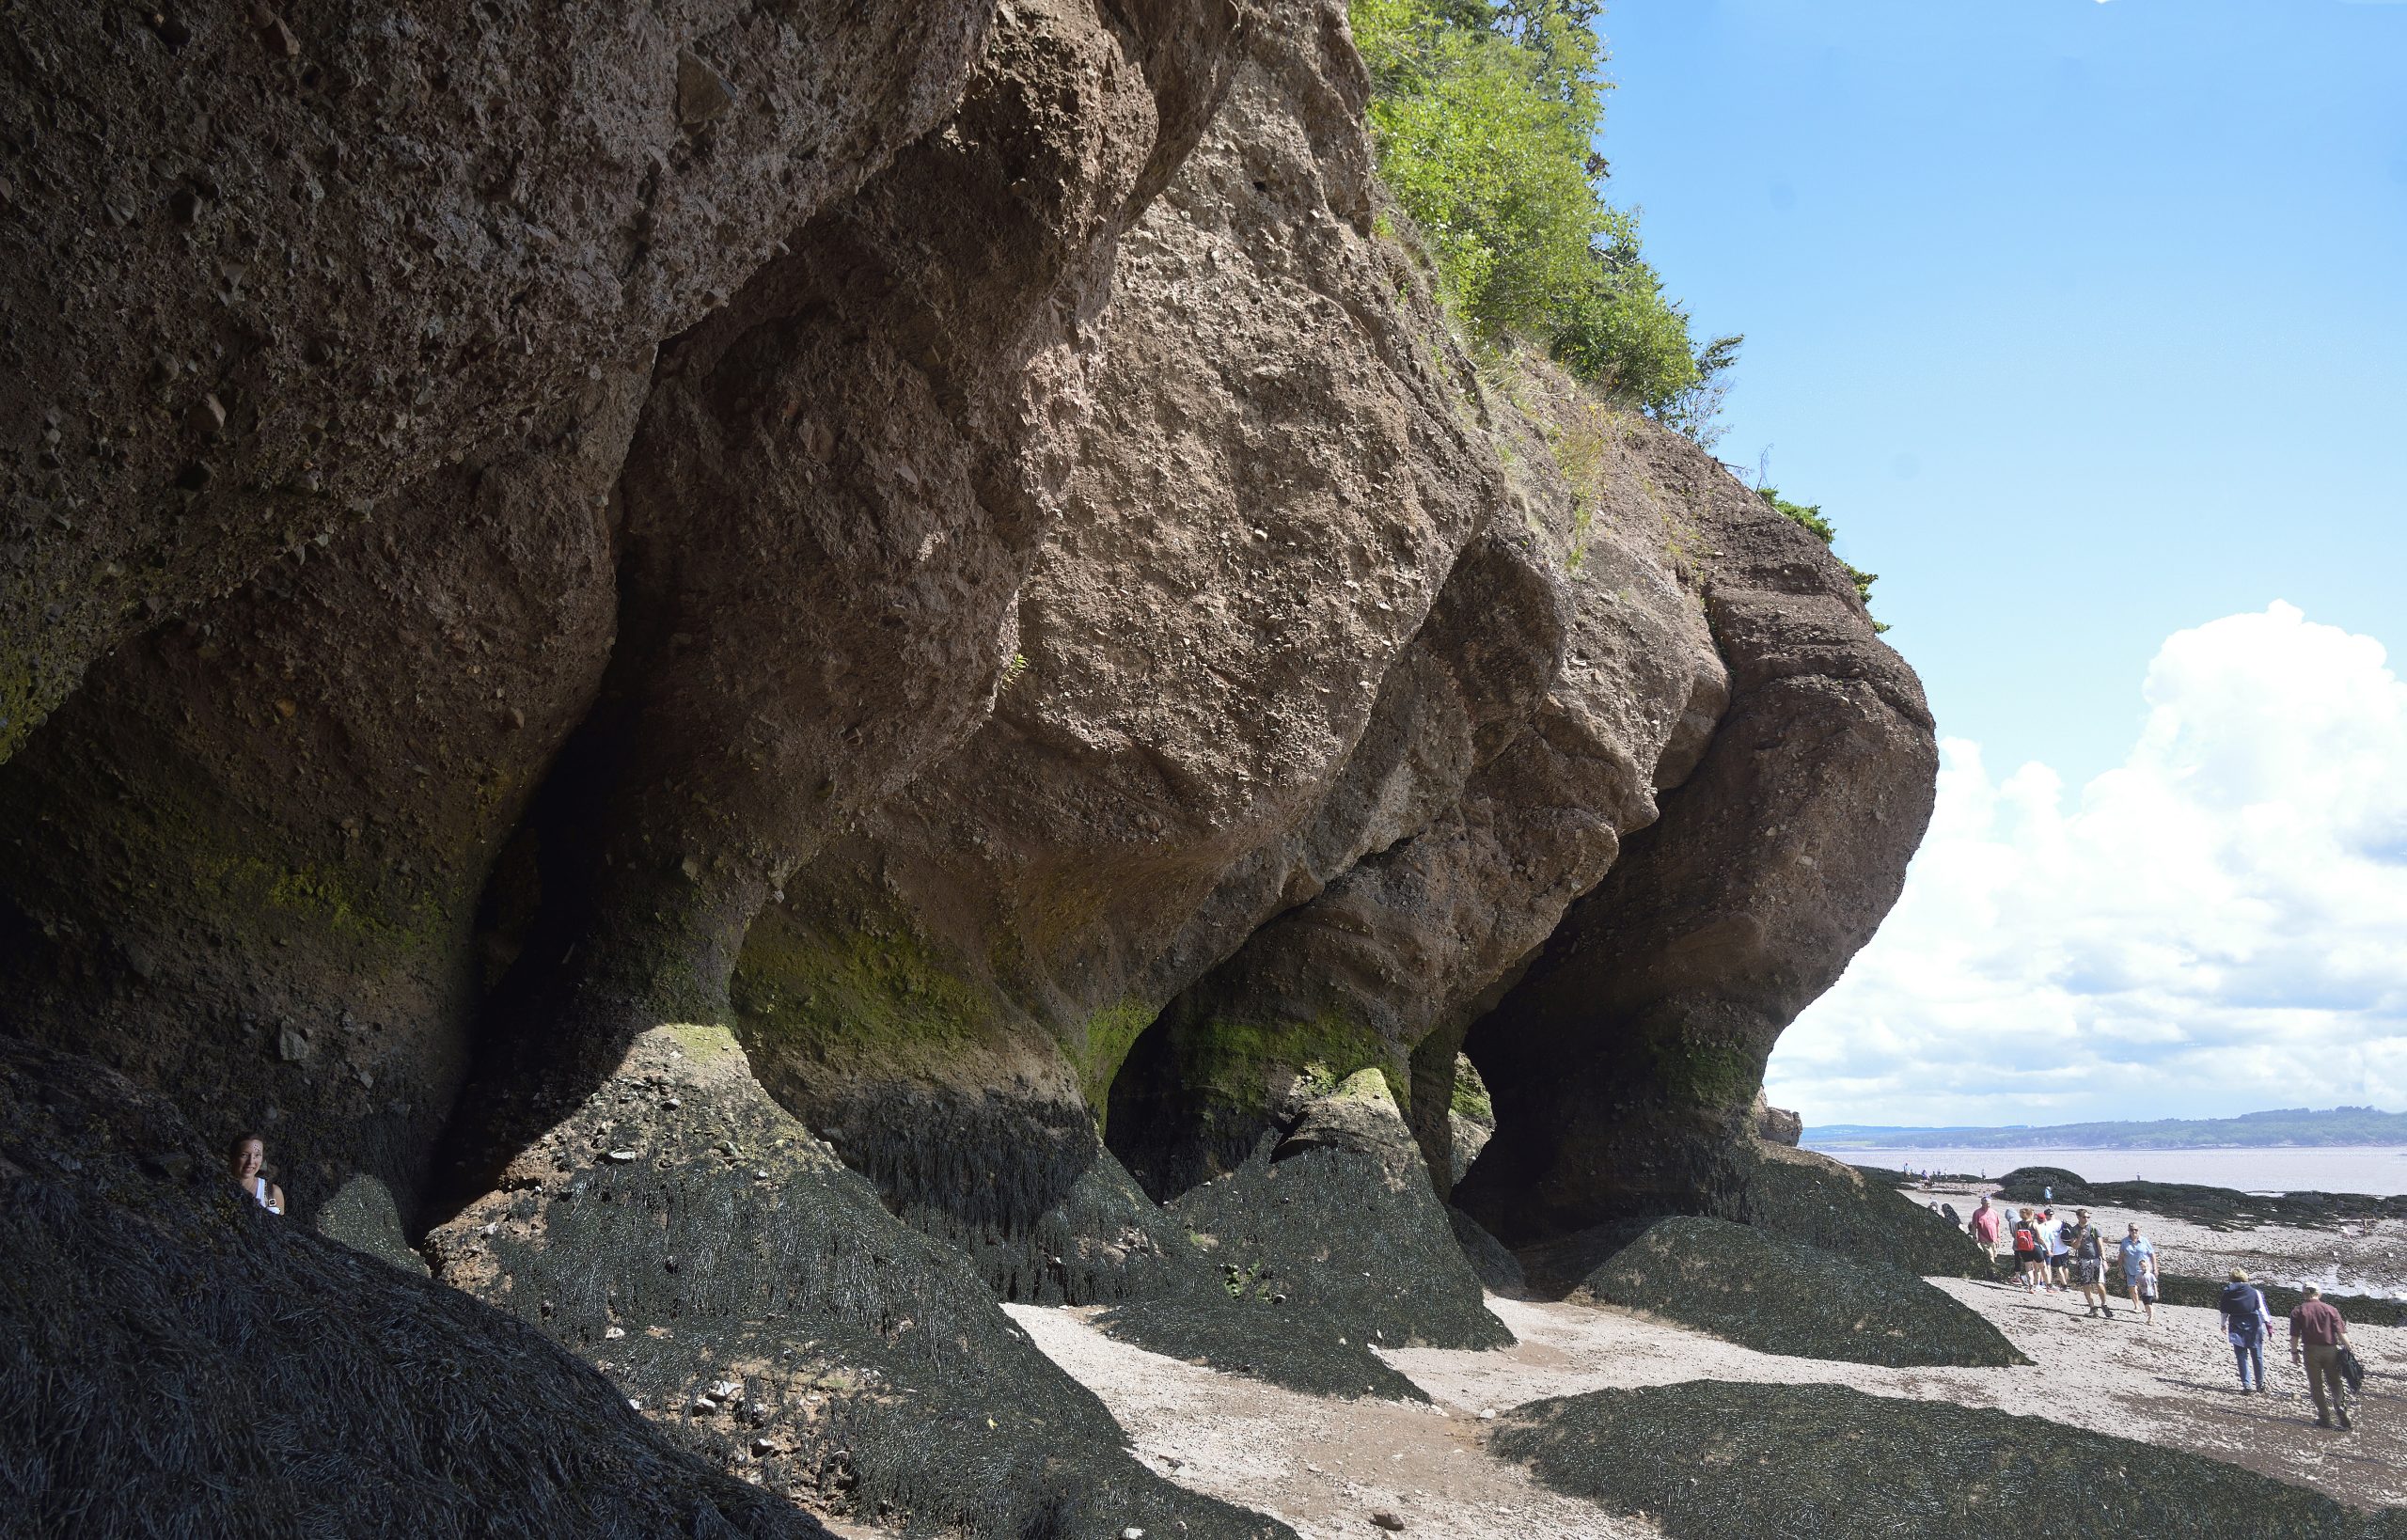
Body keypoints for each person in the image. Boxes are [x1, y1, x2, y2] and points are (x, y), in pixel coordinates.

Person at [2289, 1285, 2355, 1431]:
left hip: (2310, 1350)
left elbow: (2295, 1335)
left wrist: (2294, 1352)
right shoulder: (2330, 1309)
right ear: (2319, 1294)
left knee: (2316, 1385)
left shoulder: (2298, 1311)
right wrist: (2349, 1348)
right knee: (2335, 1382)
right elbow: (2341, 1332)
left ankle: (2324, 1418)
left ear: (2304, 1294)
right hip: (2330, 1350)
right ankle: (2340, 1406)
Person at [2220, 1270, 2273, 1392]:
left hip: (2236, 1325)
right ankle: (2260, 1384)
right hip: (2254, 1324)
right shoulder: (2255, 1292)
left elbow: (2224, 1312)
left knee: (2241, 1356)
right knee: (2257, 1355)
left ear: (2231, 1279)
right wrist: (2269, 1327)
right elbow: (2262, 1310)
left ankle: (2246, 1385)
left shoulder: (2227, 1293)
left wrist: (2223, 1325)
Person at [2069, 1208, 2112, 1317]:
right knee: (2086, 1284)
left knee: (2100, 1283)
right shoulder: (2074, 1230)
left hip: (2096, 1259)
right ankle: (2092, 1307)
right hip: (2083, 1260)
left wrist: (2104, 1260)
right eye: (2084, 1217)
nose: (2086, 1219)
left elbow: (2100, 1245)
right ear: (2078, 1217)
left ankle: (2104, 1304)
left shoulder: (2093, 1228)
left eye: (2088, 1217)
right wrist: (2081, 1236)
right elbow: (2074, 1246)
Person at [230, 1132, 284, 1216]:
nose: (251, 1162)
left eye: (257, 1155)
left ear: (262, 1160)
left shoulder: (272, 1193)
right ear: (233, 1157)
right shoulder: (218, 1185)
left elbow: (279, 1227)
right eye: (244, 1155)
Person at [2118, 1223, 2158, 1325]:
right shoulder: (2125, 1242)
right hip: (2130, 1269)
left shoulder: (2144, 1241)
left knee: (2146, 1291)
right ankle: (2136, 1305)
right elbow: (2121, 1256)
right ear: (2129, 1231)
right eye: (2132, 1230)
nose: (2134, 1232)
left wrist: (2155, 1268)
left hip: (2144, 1271)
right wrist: (2120, 1269)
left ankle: (2148, 1308)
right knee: (2132, 1288)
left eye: (2136, 1230)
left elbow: (2152, 1254)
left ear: (2138, 1230)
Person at [2011, 1207, 2046, 1291]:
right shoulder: (2034, 1223)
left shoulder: (2018, 1224)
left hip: (2023, 1248)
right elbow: (2040, 1238)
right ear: (2031, 1215)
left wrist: (2016, 1248)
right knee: (2041, 1267)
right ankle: (2044, 1284)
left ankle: (2030, 1285)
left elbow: (2016, 1238)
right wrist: (2047, 1248)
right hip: (2034, 1246)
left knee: (2028, 1268)